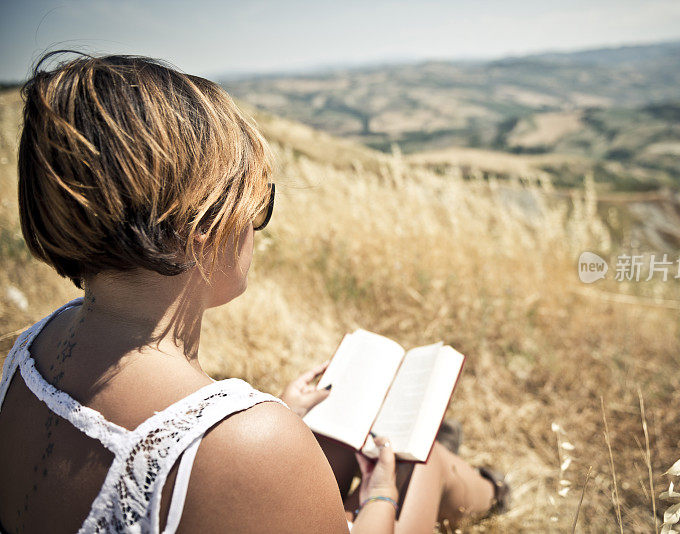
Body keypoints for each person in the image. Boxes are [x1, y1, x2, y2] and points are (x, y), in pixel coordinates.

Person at [0, 52, 507, 533]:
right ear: (201, 223)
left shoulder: (23, 352)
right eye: (257, 204)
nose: (257, 230)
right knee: (424, 465)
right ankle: (492, 489)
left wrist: (277, 419)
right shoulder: (251, 442)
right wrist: (379, 496)